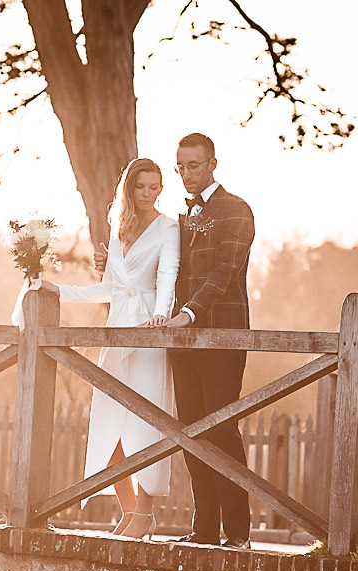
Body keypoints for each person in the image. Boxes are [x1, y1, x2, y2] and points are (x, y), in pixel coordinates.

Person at [100, 133, 254, 547]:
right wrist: (116, 265)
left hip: (221, 334)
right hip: (180, 340)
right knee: (191, 431)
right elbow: (161, 269)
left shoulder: (236, 210)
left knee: (221, 429)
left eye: (195, 166)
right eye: (181, 167)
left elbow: (224, 273)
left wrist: (189, 313)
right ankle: (204, 531)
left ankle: (238, 534)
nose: (187, 174)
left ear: (213, 164)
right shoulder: (181, 220)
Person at [32, 158, 179, 540]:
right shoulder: (119, 229)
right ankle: (129, 510)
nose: (148, 194)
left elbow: (168, 275)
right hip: (117, 328)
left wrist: (161, 316)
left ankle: (145, 514)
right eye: (141, 187)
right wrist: (58, 290)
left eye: (155, 186)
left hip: (149, 329)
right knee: (108, 422)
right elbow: (108, 288)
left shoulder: (169, 227)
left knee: (147, 419)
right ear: (129, 189)